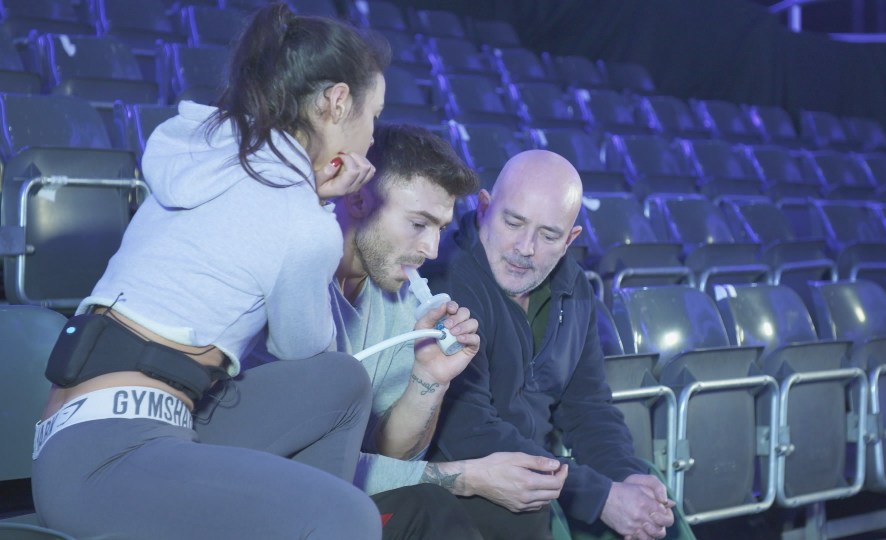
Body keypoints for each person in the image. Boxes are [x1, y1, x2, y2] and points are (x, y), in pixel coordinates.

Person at [31, 4, 389, 539]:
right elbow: (305, 345)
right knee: (349, 516)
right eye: (374, 116)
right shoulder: (299, 220)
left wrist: (307, 196)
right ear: (337, 103)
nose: (373, 137)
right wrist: (319, 212)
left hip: (81, 435)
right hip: (108, 460)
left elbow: (322, 371)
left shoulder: (205, 142)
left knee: (342, 384)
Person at [245, 123, 568, 539]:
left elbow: (392, 451)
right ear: (359, 198)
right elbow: (309, 464)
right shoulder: (293, 284)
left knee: (516, 513)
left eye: (441, 229)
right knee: (427, 507)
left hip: (339, 485)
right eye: (418, 224)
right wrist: (463, 476)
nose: (431, 250)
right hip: (278, 494)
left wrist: (428, 379)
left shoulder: (398, 299)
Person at [429, 150, 697, 540]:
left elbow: (588, 408)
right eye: (513, 222)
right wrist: (600, 495)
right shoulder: (449, 281)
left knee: (650, 491)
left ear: (570, 239)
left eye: (548, 234)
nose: (526, 247)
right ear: (484, 208)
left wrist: (625, 478)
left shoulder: (575, 289)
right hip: (475, 478)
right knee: (548, 506)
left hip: (546, 472)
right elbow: (469, 431)